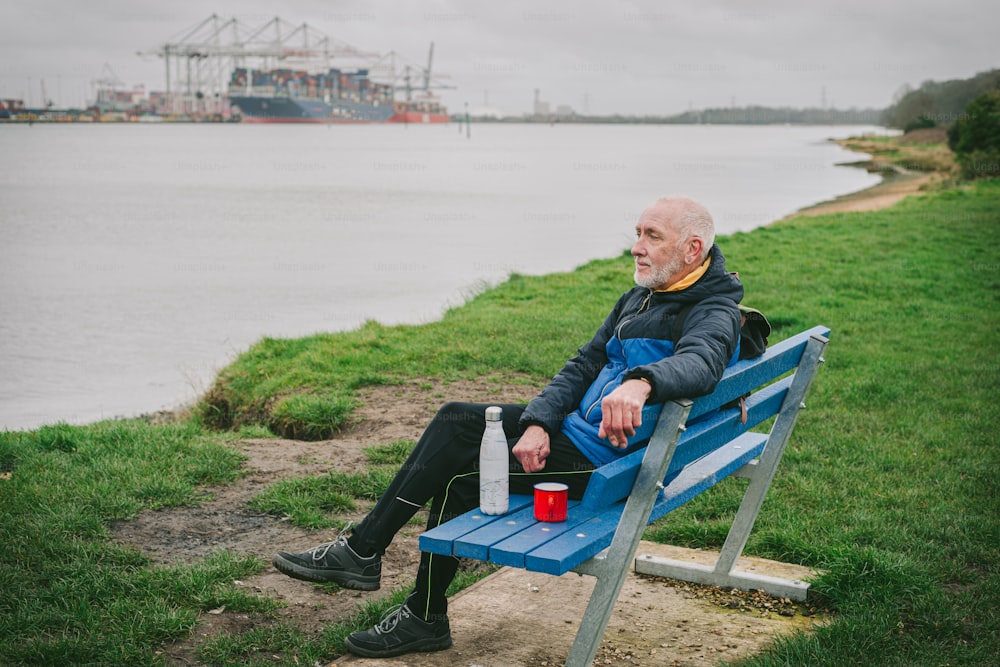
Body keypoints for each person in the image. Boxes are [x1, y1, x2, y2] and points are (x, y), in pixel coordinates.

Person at [272, 195, 744, 658]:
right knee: (455, 418)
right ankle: (363, 550)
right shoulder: (643, 297)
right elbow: (583, 365)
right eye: (637, 233)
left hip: (610, 467)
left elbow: (701, 362)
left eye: (651, 236)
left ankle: (424, 615)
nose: (636, 246)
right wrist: (539, 423)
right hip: (578, 432)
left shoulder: (712, 310)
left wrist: (642, 382)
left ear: (692, 249)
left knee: (459, 479)